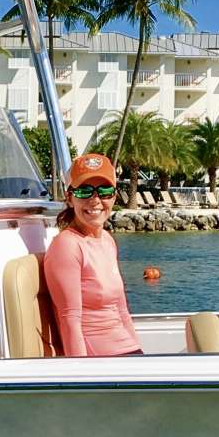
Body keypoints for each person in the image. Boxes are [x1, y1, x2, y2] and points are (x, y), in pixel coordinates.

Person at [44, 152, 141, 357]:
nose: (95, 200)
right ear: (70, 198)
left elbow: (122, 311)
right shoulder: (67, 246)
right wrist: (82, 378)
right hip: (100, 361)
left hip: (127, 353)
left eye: (104, 191)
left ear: (114, 196)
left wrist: (141, 358)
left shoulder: (107, 240)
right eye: (84, 191)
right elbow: (70, 320)